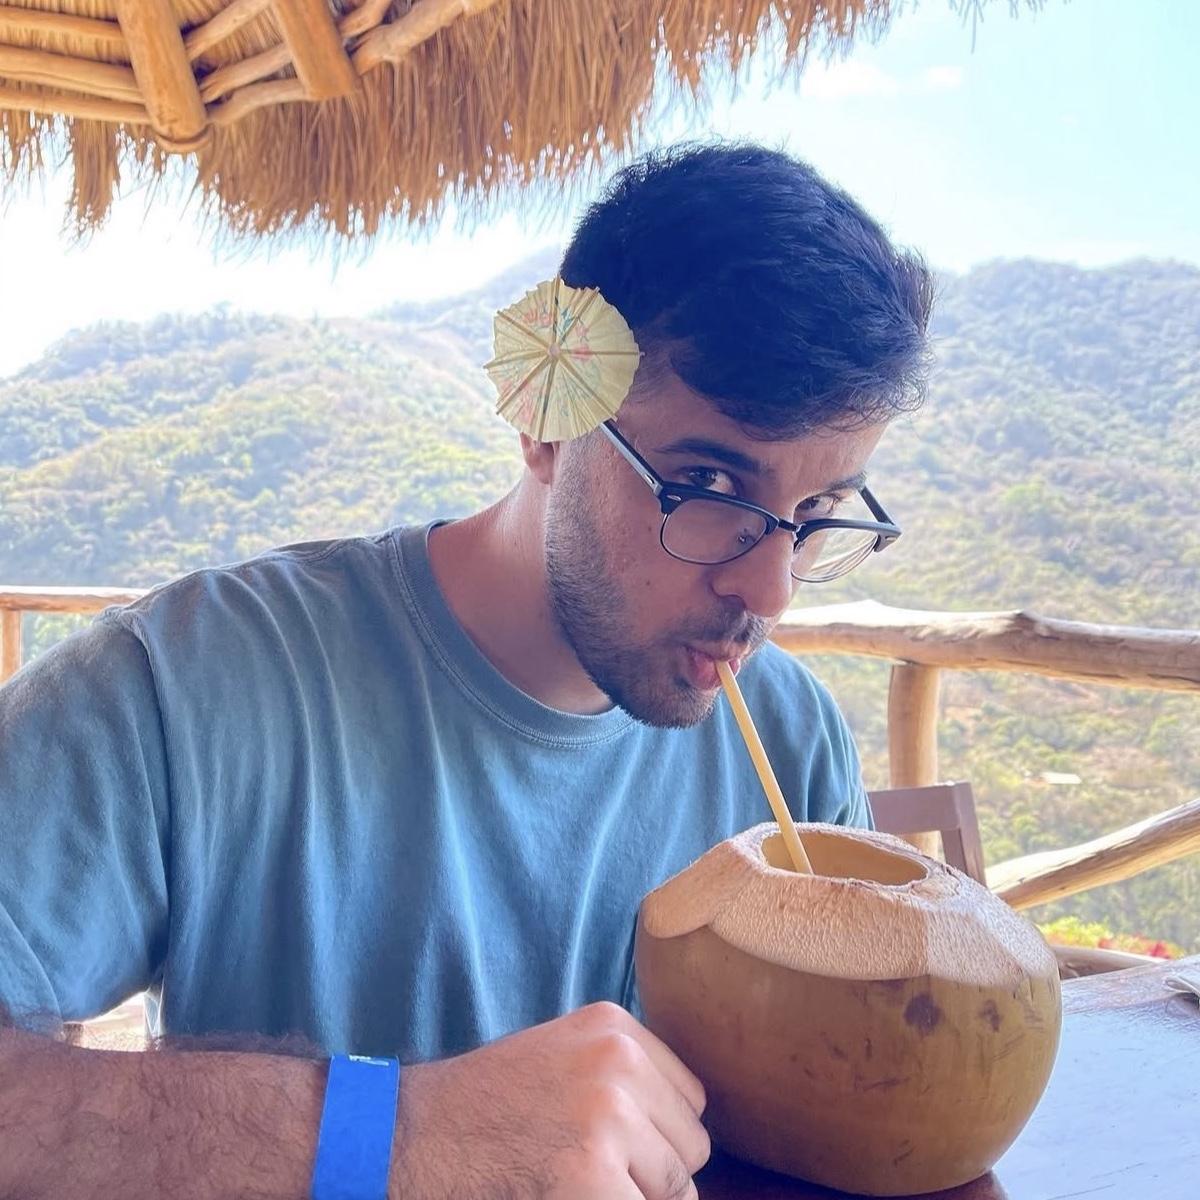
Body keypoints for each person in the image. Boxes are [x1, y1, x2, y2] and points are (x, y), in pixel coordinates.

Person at [0, 142, 932, 1199]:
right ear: (547, 416)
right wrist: (392, 1136)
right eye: (710, 484)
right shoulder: (187, 686)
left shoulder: (795, 745)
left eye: (817, 512)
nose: (771, 590)